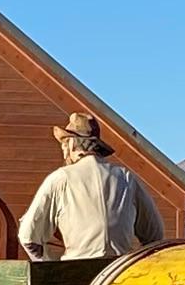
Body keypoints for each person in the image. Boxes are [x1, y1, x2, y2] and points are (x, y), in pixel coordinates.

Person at [15, 111, 169, 264]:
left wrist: (47, 265)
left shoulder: (61, 178)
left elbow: (27, 237)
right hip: (120, 271)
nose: (63, 149)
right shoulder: (125, 177)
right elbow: (155, 235)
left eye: (64, 143)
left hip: (76, 272)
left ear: (72, 144)